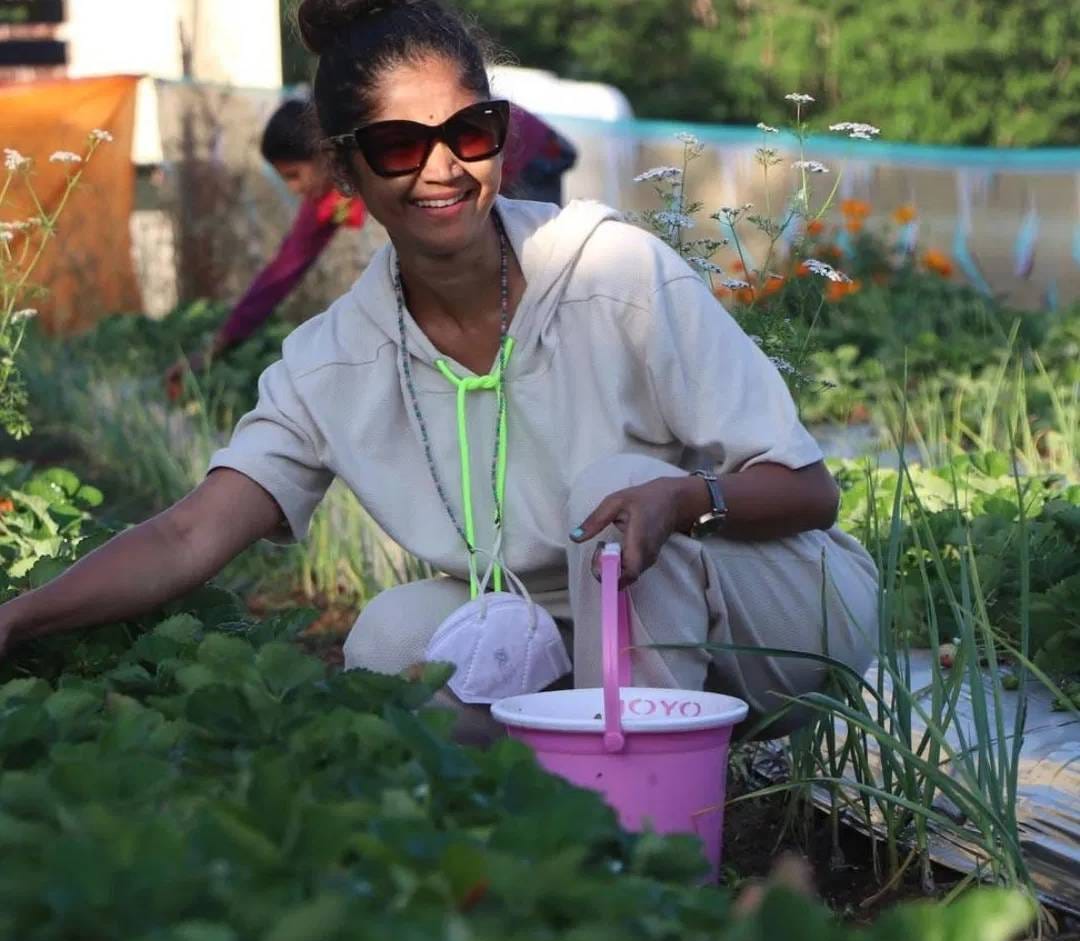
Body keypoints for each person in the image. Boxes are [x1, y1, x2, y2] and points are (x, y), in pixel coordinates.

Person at [0, 0, 877, 744]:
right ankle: (560, 798)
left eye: (469, 131)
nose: (443, 167)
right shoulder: (334, 360)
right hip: (574, 631)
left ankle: (654, 837)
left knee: (619, 495)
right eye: (397, 146)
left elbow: (807, 490)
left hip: (780, 618)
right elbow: (188, 536)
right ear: (344, 169)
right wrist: (18, 620)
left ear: (500, 133)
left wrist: (685, 499)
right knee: (392, 638)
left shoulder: (615, 275)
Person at [167, 90, 577, 386]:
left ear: (327, 157)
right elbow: (285, 269)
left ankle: (541, 374)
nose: (294, 190)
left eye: (294, 175)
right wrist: (222, 342)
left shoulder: (384, 157)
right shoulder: (334, 194)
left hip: (530, 155)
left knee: (527, 274)